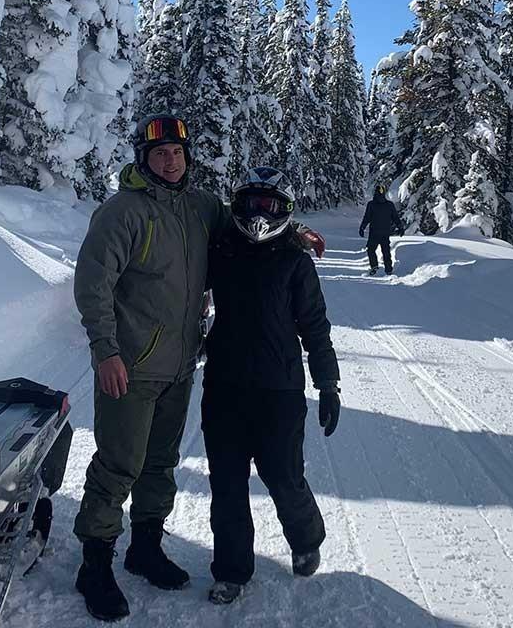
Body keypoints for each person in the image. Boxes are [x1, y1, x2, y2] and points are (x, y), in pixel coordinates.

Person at [71, 115, 324, 622]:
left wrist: (295, 231)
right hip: (131, 367)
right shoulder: (123, 212)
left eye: (177, 153)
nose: (170, 161)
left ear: (187, 158)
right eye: (160, 153)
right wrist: (106, 351)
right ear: (144, 159)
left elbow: (250, 217)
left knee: (160, 463)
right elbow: (92, 283)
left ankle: (145, 546)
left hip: (180, 366)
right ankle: (94, 563)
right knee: (119, 465)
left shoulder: (199, 206)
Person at [200, 166, 340, 606]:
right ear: (237, 205)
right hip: (224, 386)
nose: (260, 213)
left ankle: (307, 538)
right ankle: (231, 570)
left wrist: (328, 382)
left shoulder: (295, 261)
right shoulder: (220, 249)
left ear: (285, 209)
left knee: (283, 476)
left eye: (270, 205)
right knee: (227, 483)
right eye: (252, 203)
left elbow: (314, 325)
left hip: (279, 391)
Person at [359, 184, 404, 275]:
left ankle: (374, 266)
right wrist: (400, 227)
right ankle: (388, 269)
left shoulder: (371, 204)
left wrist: (362, 227)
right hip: (385, 232)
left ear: (375, 193)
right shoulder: (389, 205)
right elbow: (395, 218)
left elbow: (367, 217)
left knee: (371, 250)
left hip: (374, 233)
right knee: (386, 251)